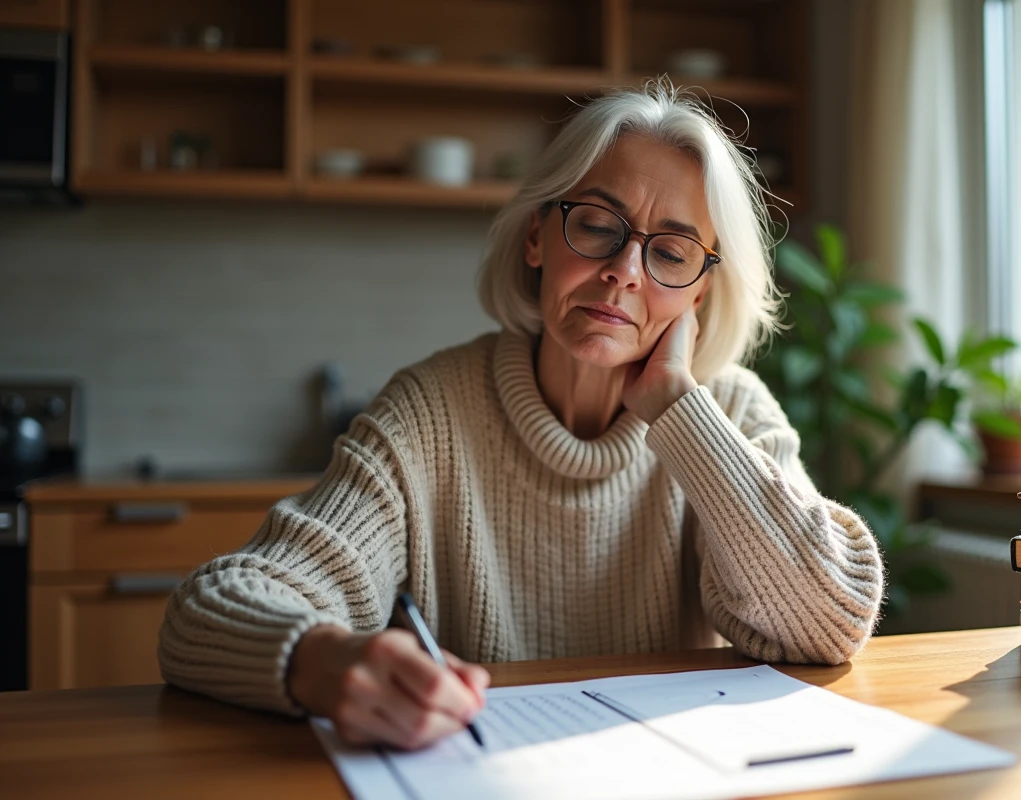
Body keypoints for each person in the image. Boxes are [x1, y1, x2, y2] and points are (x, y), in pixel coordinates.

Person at [158, 79, 884, 752]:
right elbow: (208, 610)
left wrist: (675, 406)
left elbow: (831, 622)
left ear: (697, 293)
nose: (626, 271)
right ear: (537, 237)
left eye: (670, 251)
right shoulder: (430, 412)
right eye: (598, 225)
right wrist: (320, 661)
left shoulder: (727, 411)